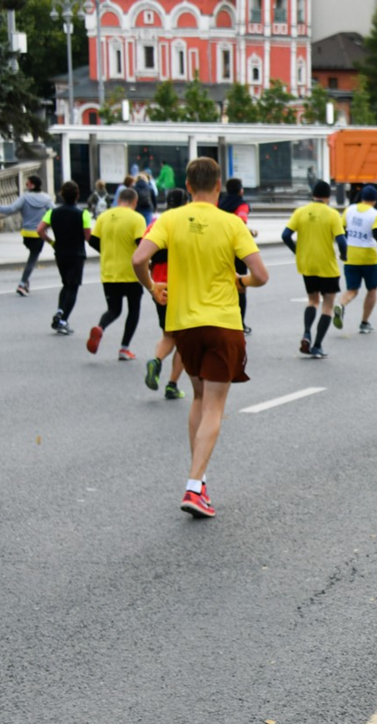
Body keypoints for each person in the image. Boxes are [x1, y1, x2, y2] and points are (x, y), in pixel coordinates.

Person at [132, 157, 269, 519]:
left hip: (185, 326)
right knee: (214, 407)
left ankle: (200, 479)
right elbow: (261, 274)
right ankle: (194, 488)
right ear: (219, 185)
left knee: (197, 396)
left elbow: (138, 258)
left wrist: (152, 287)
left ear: (189, 186)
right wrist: (242, 282)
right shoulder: (231, 223)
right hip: (223, 324)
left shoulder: (169, 219)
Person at [282, 179, 347, 358]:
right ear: (328, 196)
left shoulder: (301, 212)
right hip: (327, 266)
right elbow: (342, 240)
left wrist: (297, 251)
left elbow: (285, 235)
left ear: (313, 195)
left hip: (307, 265)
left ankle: (306, 333)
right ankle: (317, 346)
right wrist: (344, 255)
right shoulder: (332, 214)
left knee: (312, 301)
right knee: (327, 305)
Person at [85, 187, 147, 360]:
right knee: (133, 310)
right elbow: (141, 244)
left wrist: (106, 251)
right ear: (134, 202)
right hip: (131, 273)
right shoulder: (137, 218)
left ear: (119, 200)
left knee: (114, 309)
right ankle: (124, 348)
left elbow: (93, 241)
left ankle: (100, 327)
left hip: (109, 272)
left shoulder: (104, 216)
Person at [143, 188, 189, 400]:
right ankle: (172, 384)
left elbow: (142, 254)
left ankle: (157, 360)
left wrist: (151, 284)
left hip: (160, 286)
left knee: (167, 335)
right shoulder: (188, 224)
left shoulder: (155, 225)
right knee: (183, 339)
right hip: (184, 286)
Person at [335, 184, 377, 335]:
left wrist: (344, 248)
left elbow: (341, 230)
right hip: (369, 258)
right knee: (372, 289)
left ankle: (341, 304)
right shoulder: (376, 214)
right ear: (375, 200)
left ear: (362, 197)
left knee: (352, 290)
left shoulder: (349, 210)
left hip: (351, 256)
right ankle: (364, 323)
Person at [37, 181, 93, 335]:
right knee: (73, 287)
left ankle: (60, 311)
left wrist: (52, 242)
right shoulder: (83, 214)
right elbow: (88, 237)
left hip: (60, 253)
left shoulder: (53, 213)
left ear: (61, 194)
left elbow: (40, 230)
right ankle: (62, 318)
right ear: (77, 195)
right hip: (77, 254)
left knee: (65, 284)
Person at [0, 174, 52, 296]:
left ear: (32, 185)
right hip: (39, 234)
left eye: (27, 183)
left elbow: (10, 209)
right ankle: (22, 284)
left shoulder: (25, 198)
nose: (26, 185)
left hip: (26, 234)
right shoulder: (46, 199)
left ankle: (25, 281)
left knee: (31, 255)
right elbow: (55, 214)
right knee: (32, 260)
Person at [217, 178, 258, 334]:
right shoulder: (242, 204)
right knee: (240, 286)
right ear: (241, 190)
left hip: (219, 248)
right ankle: (240, 323)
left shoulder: (219, 203)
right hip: (236, 250)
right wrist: (250, 232)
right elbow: (240, 222)